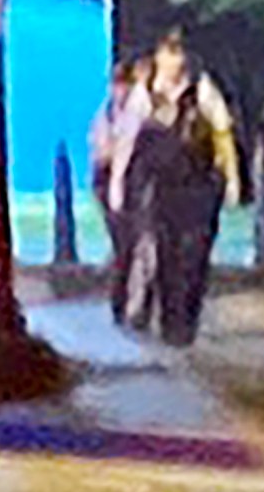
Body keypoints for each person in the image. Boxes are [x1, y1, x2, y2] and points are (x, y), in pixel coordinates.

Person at [109, 30, 240, 347]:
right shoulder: (144, 93)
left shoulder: (202, 90)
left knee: (195, 254)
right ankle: (170, 322)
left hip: (197, 183)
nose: (172, 62)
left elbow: (222, 133)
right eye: (167, 54)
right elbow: (126, 140)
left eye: (177, 54)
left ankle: (187, 319)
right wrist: (118, 181)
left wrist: (232, 176)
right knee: (165, 253)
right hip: (159, 186)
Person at [89, 61, 143, 325]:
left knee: (129, 244)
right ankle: (119, 302)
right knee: (124, 243)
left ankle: (123, 301)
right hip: (107, 178)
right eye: (117, 85)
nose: (120, 90)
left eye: (125, 85)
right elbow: (100, 150)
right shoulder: (106, 114)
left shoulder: (133, 114)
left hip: (129, 180)